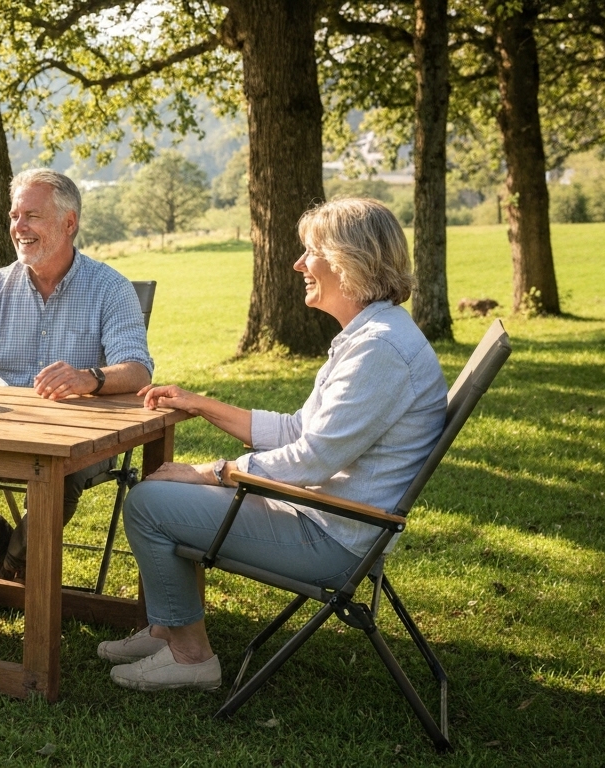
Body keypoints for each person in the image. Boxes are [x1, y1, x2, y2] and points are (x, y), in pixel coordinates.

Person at [101, 197, 447, 693]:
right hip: (325, 514)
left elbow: (310, 459)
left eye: (311, 252)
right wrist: (201, 404)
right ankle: (165, 631)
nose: (299, 264)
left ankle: (191, 656)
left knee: (149, 503)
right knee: (164, 493)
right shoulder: (373, 334)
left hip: (331, 538)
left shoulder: (380, 349)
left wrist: (210, 472)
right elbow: (298, 431)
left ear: (349, 261)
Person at [0, 169, 154, 579]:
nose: (19, 227)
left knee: (59, 473)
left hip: (76, 440)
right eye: (15, 216)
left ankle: (11, 568)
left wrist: (89, 378)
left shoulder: (110, 288)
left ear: (69, 223)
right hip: (2, 431)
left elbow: (138, 371)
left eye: (32, 216)